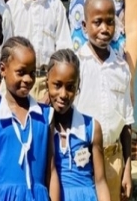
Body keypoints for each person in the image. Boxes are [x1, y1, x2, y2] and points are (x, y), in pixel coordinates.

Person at [74, 0, 134, 201]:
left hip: (112, 159)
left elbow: (126, 122)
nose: (104, 29)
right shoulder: (76, 66)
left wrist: (127, 168)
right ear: (84, 25)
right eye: (97, 22)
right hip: (81, 161)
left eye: (110, 22)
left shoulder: (121, 67)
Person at [0, 37, 59, 201]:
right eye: (21, 72)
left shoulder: (46, 116)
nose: (28, 79)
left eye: (32, 73)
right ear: (3, 69)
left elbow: (51, 169)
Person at [2, 0, 72, 101]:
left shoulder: (56, 6)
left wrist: (53, 87)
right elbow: (6, 51)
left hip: (48, 82)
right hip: (18, 81)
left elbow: (63, 48)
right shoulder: (11, 8)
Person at [47, 49, 110, 201]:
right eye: (57, 85)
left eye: (70, 87)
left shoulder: (91, 127)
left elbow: (100, 181)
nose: (63, 94)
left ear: (78, 86)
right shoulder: (41, 126)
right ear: (46, 82)